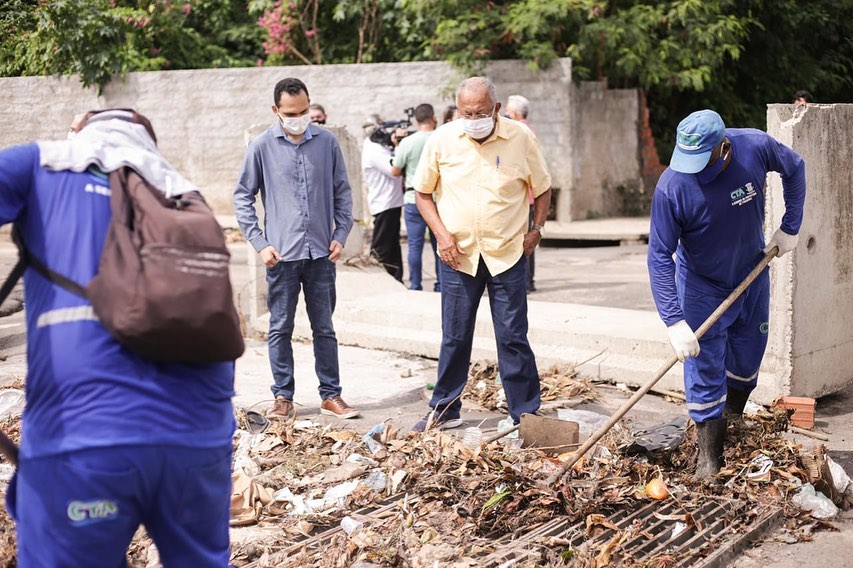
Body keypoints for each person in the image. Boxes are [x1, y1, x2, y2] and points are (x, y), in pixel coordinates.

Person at [0, 109, 236, 565]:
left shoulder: (43, 163)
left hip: (83, 443)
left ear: (81, 131)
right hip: (199, 444)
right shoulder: (185, 195)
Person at [647, 109, 806, 480]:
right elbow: (659, 256)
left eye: (700, 160)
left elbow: (795, 168)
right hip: (702, 286)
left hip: (751, 274)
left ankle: (731, 425)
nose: (693, 169)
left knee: (748, 359)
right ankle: (709, 458)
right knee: (705, 370)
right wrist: (673, 321)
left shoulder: (754, 146)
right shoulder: (673, 187)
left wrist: (790, 226)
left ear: (723, 147)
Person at [412, 77, 552, 431]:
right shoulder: (442, 139)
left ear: (497, 110)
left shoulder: (521, 138)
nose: (473, 118)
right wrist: (442, 237)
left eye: (480, 112)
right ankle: (444, 409)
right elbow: (423, 194)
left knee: (512, 335)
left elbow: (543, 187)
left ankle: (525, 412)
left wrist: (537, 228)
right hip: (457, 256)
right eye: (466, 112)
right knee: (455, 335)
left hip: (507, 253)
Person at [233, 78, 359, 420]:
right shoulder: (260, 147)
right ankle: (283, 398)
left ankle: (331, 395)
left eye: (304, 111)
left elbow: (342, 192)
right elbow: (243, 197)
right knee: (280, 328)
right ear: (276, 111)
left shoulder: (327, 143)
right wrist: (260, 244)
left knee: (324, 328)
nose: (299, 117)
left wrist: (341, 232)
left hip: (321, 253)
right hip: (281, 255)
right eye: (291, 113)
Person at [391, 103, 441, 291]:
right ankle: (441, 284)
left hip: (414, 198)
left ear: (416, 120)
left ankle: (415, 285)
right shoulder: (439, 138)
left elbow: (395, 170)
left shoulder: (408, 142)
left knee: (414, 246)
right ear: (433, 117)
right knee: (440, 243)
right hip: (438, 198)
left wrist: (397, 147)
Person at [504, 94, 538, 293]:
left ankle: (525, 281)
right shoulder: (527, 130)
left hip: (523, 196)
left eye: (508, 112)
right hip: (529, 195)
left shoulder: (519, 132)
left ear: (515, 113)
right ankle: (528, 280)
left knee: (522, 239)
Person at [363, 124, 404, 282]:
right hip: (384, 203)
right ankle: (378, 280)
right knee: (382, 248)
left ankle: (395, 279)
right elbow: (394, 170)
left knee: (393, 246)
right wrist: (400, 146)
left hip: (390, 202)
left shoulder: (378, 147)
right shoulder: (374, 149)